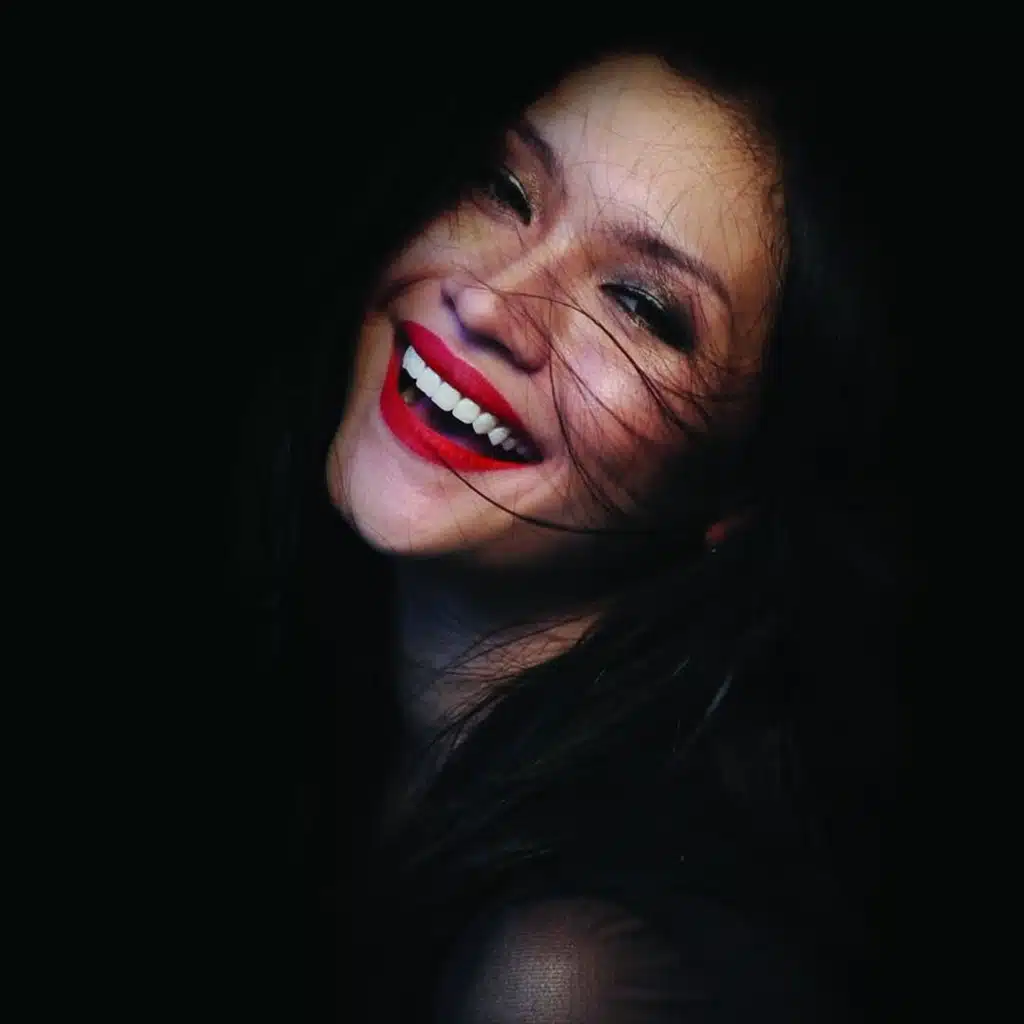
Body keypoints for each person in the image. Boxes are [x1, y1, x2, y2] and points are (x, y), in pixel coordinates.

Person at [241, 33, 910, 1022]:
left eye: (638, 305)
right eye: (503, 189)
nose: (486, 300)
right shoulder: (318, 728)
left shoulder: (570, 974)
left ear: (740, 489)